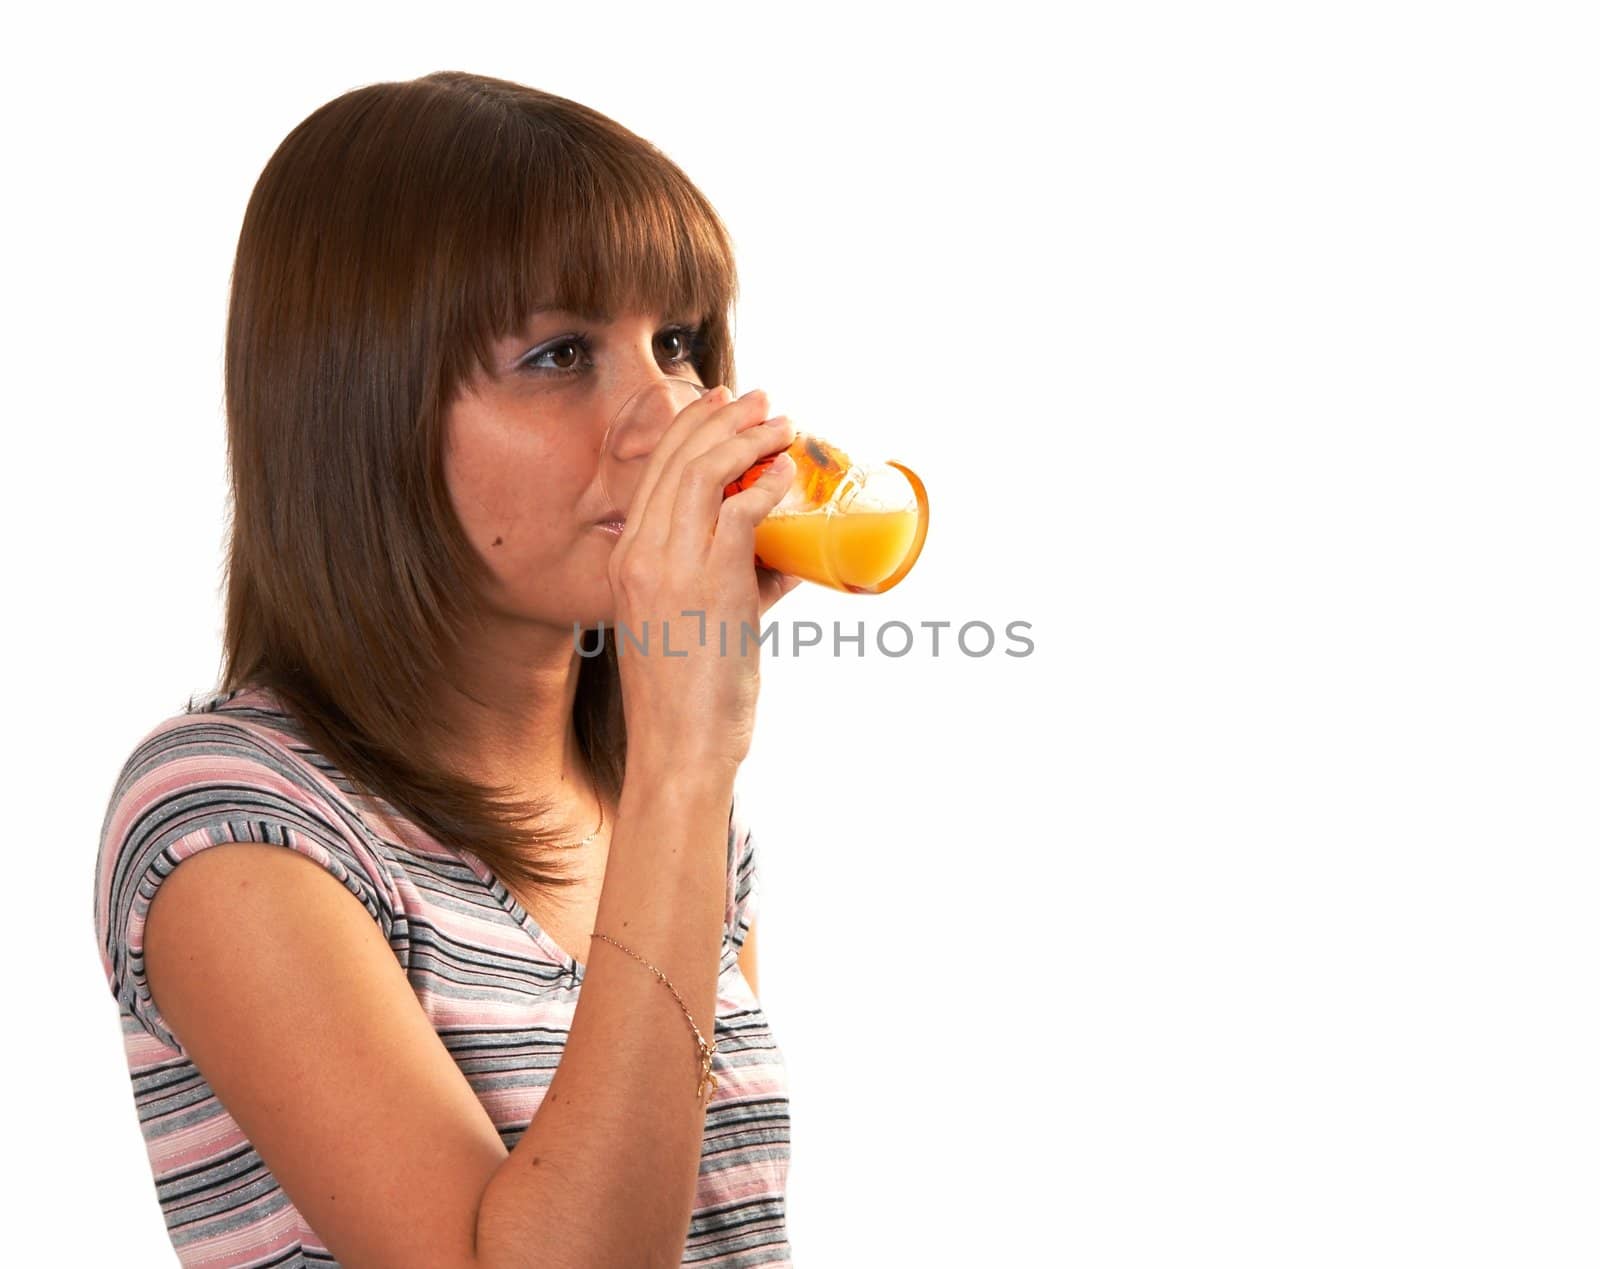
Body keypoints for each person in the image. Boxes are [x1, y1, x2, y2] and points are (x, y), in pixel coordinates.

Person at [91, 71, 800, 1267]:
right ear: (365, 412)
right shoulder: (233, 820)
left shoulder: (661, 809)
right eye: (562, 352)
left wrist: (678, 770)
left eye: (676, 341)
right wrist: (688, 749)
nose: (666, 413)